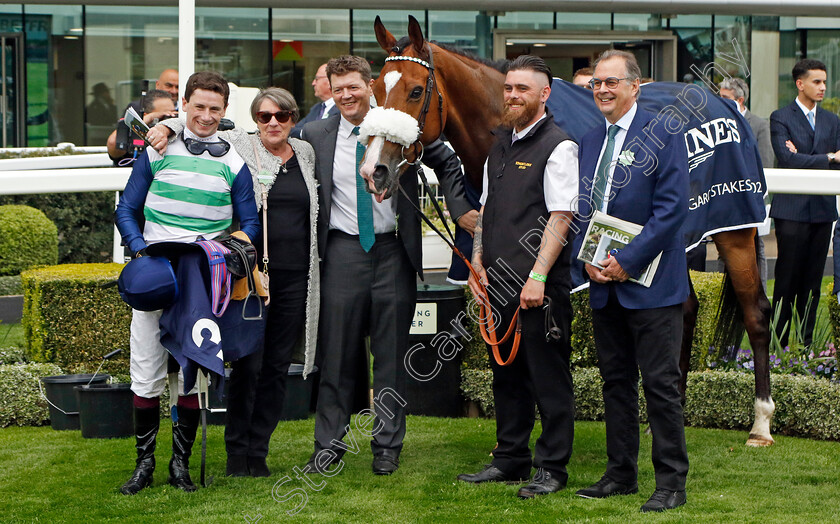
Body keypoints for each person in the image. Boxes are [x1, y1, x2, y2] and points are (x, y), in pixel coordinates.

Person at [301, 55, 476, 476]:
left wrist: (460, 211)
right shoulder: (313, 135)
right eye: (337, 87)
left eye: (354, 87)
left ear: (371, 87)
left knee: (393, 355)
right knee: (337, 354)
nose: (346, 95)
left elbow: (449, 161)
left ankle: (387, 446)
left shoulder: (403, 128)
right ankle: (328, 446)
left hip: (394, 251)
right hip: (341, 252)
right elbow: (262, 144)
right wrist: (170, 126)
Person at [147, 86, 320, 478]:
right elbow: (199, 125)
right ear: (254, 120)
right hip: (251, 277)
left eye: (282, 116)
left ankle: (258, 453)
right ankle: (236, 452)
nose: (273, 123)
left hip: (297, 279)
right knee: (248, 364)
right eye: (264, 116)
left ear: (294, 119)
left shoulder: (306, 153)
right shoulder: (238, 144)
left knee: (277, 368)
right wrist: (168, 127)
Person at [114, 71, 260, 495]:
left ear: (224, 111)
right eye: (199, 107)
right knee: (146, 371)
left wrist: (227, 253)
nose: (206, 116)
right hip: (156, 271)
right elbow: (127, 209)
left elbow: (249, 223)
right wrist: (142, 251)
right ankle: (144, 466)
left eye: (215, 109)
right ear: (185, 106)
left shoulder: (234, 163)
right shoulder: (158, 150)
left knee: (191, 371)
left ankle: (180, 465)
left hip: (202, 275)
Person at [573, 50, 690, 512]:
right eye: (597, 83)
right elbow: (586, 205)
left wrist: (626, 259)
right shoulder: (588, 139)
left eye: (611, 83)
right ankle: (620, 474)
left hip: (653, 286)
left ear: (635, 87)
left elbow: (671, 212)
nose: (602, 89)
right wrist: (588, 259)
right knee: (615, 382)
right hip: (603, 284)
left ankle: (671, 483)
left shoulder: (664, 135)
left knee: (660, 384)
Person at [456, 55, 578, 499]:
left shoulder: (559, 145)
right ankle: (509, 458)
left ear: (544, 94)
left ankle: (552, 468)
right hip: (499, 281)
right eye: (509, 88)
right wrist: (479, 264)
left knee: (547, 376)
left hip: (537, 286)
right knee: (505, 375)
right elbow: (486, 211)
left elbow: (561, 218)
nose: (512, 95)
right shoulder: (500, 142)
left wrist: (539, 277)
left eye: (522, 89)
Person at [769, 58, 840, 347]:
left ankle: (807, 344)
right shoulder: (780, 117)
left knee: (812, 282)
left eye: (824, 82)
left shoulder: (832, 120)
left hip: (822, 211)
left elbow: (836, 164)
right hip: (791, 211)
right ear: (800, 84)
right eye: (817, 82)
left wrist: (807, 159)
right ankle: (779, 343)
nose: (823, 87)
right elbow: (787, 160)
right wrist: (828, 157)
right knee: (786, 280)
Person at [719, 77, 773, 286]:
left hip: (750, 198)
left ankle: (760, 293)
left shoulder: (759, 125)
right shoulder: (717, 123)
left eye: (725, 97)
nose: (719, 101)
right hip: (724, 198)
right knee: (724, 248)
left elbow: (765, 162)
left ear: (740, 100)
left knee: (755, 247)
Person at [107, 90, 177, 164]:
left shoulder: (178, 134)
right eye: (165, 116)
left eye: (173, 114)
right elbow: (112, 144)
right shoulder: (134, 136)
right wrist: (143, 121)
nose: (169, 121)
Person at [291, 63, 337, 138]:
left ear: (329, 82)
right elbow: (293, 130)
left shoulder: (341, 109)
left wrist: (307, 133)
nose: (313, 83)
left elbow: (323, 134)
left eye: (317, 79)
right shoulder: (317, 108)